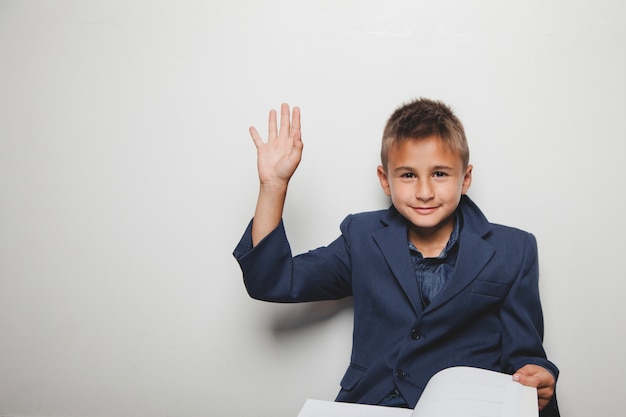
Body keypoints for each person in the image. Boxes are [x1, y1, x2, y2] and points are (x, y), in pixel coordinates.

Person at [233, 99, 559, 416]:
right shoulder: (361, 236)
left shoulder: (514, 249)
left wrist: (539, 378)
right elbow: (273, 282)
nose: (424, 191)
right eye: (407, 175)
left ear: (466, 178)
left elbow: (526, 358)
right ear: (384, 180)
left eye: (440, 174)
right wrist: (273, 186)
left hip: (466, 408)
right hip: (375, 402)